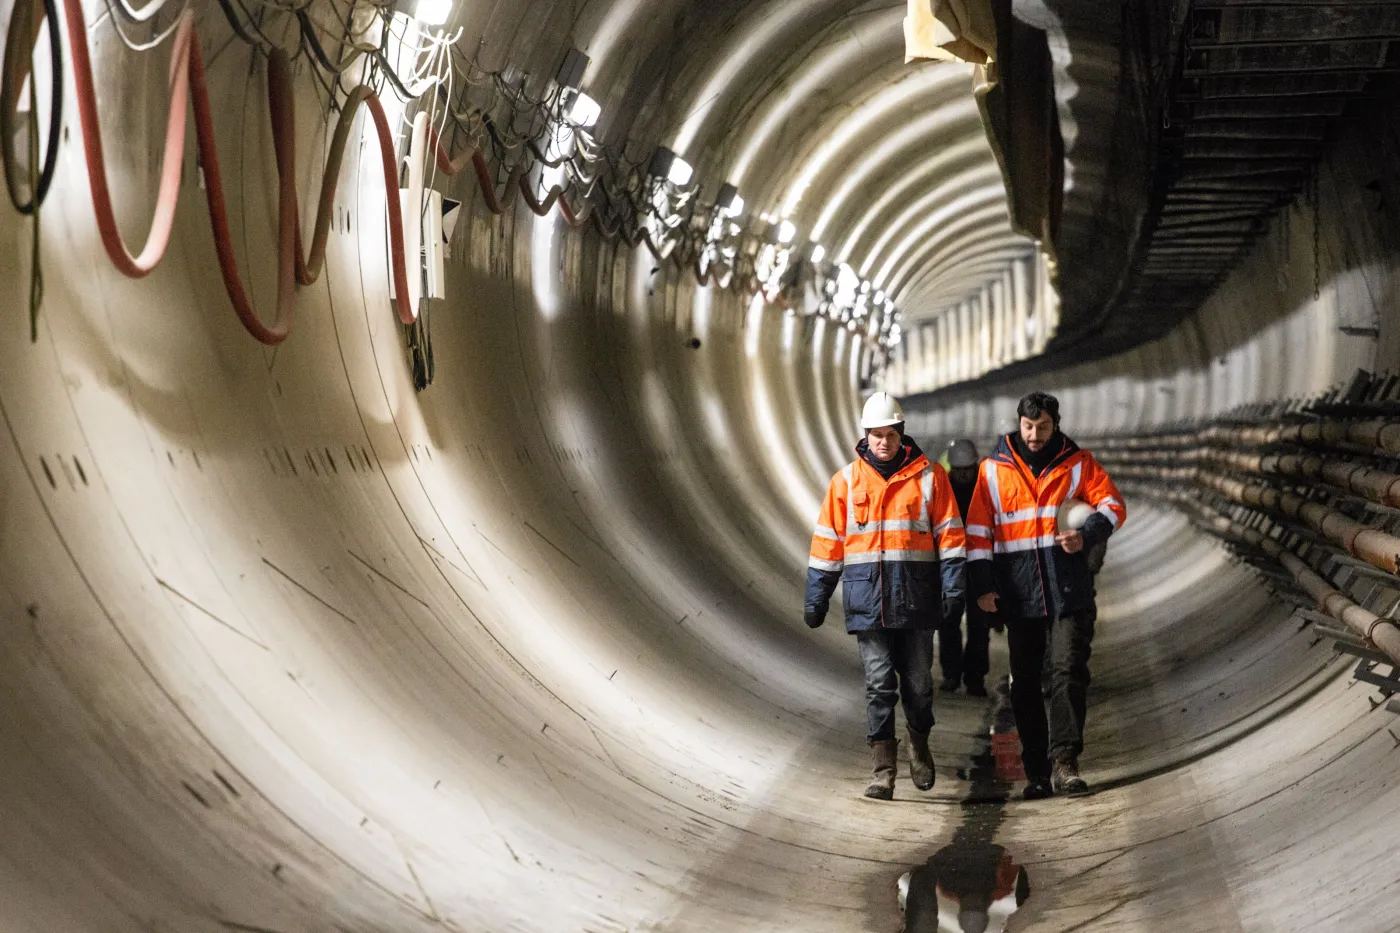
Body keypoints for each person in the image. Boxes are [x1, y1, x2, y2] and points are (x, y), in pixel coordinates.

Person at [805, 391, 967, 800]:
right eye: (876, 435)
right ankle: (883, 770)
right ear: (865, 436)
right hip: (867, 601)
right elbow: (828, 542)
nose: (883, 442)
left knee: (917, 685)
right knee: (879, 684)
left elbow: (950, 536)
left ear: (901, 434)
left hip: (916, 599)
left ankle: (919, 743)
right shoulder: (845, 482)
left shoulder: (931, 479)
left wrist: (954, 586)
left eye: (890, 435)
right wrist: (817, 596)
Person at [964, 392, 1126, 799]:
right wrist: (983, 586)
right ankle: (1036, 770)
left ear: (1056, 424)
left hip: (1067, 587)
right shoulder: (992, 471)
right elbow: (979, 532)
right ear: (1019, 424)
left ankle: (1065, 760)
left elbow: (1113, 505)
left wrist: (1085, 535)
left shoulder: (1078, 464)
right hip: (1019, 594)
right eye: (1028, 427)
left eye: (1043, 427)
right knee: (1026, 684)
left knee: (1068, 671)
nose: (1035, 435)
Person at [939, 439, 991, 697]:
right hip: (950, 568)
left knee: (979, 625)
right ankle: (951, 674)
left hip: (979, 566)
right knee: (948, 621)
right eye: (960, 470)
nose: (964, 475)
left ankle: (975, 677)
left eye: (968, 469)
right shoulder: (941, 490)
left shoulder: (985, 490)